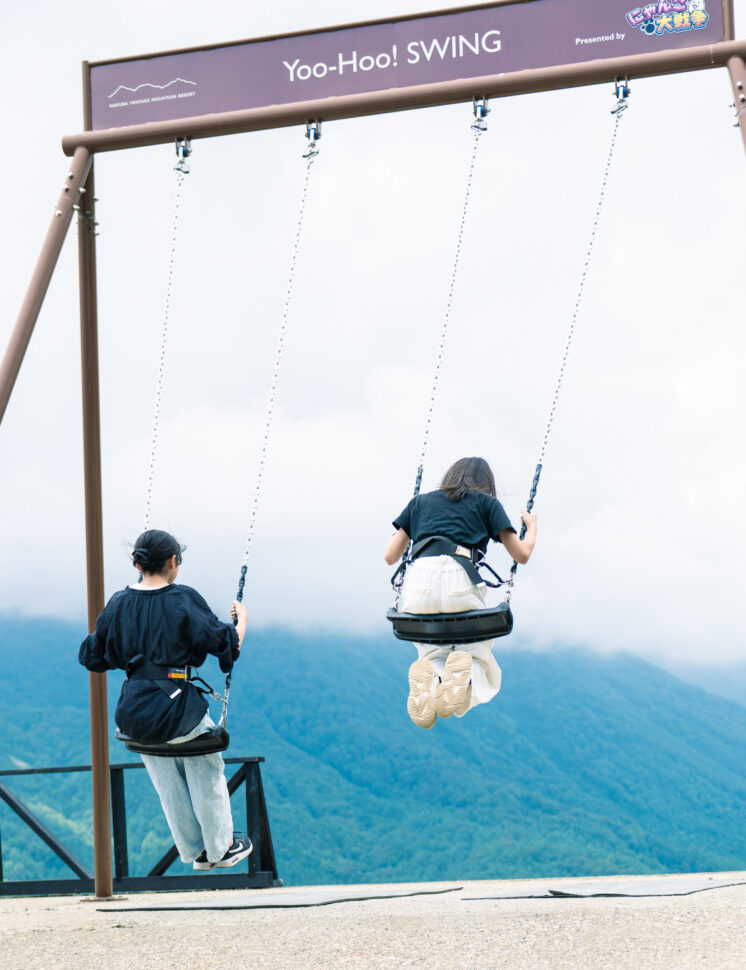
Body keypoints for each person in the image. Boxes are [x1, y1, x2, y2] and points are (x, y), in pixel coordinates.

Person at [79, 529, 253, 871]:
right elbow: (226, 647)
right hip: (178, 711)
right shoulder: (182, 599)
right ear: (173, 562)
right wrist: (241, 622)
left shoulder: (118, 603)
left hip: (133, 716)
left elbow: (92, 656)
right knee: (206, 767)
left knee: (167, 781)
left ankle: (194, 851)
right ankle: (222, 847)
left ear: (138, 563)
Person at [385, 457, 537, 729]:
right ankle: (463, 682)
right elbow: (521, 554)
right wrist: (532, 525)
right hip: (460, 577)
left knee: (431, 651)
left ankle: (432, 677)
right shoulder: (487, 503)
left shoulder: (420, 502)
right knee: (479, 660)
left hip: (418, 584)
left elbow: (390, 556)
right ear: (486, 485)